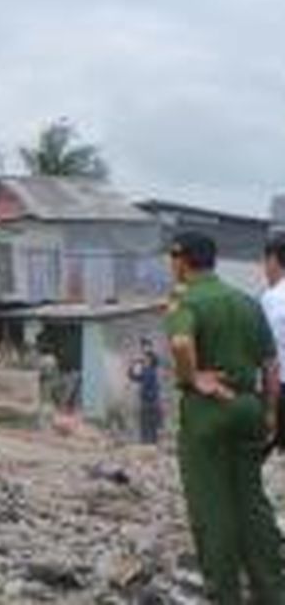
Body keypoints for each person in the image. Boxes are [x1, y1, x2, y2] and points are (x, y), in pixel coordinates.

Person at [164, 232, 282, 604]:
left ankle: (225, 594)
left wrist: (192, 377)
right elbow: (271, 365)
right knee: (251, 501)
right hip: (250, 406)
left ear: (182, 260)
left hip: (208, 413)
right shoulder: (247, 302)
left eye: (172, 258)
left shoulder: (186, 299)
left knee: (211, 506)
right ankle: (272, 590)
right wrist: (269, 413)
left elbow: (181, 343)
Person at [261, 234, 285, 452]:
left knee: (255, 452)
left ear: (273, 260)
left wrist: (270, 407)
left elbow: (268, 354)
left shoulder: (273, 298)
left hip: (279, 387)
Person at [126, 337, 162, 444]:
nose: (144, 361)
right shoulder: (147, 371)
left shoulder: (151, 370)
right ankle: (148, 443)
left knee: (149, 424)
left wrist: (145, 350)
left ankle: (149, 443)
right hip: (148, 401)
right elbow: (132, 376)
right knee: (147, 424)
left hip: (150, 401)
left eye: (146, 360)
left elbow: (136, 377)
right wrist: (132, 365)